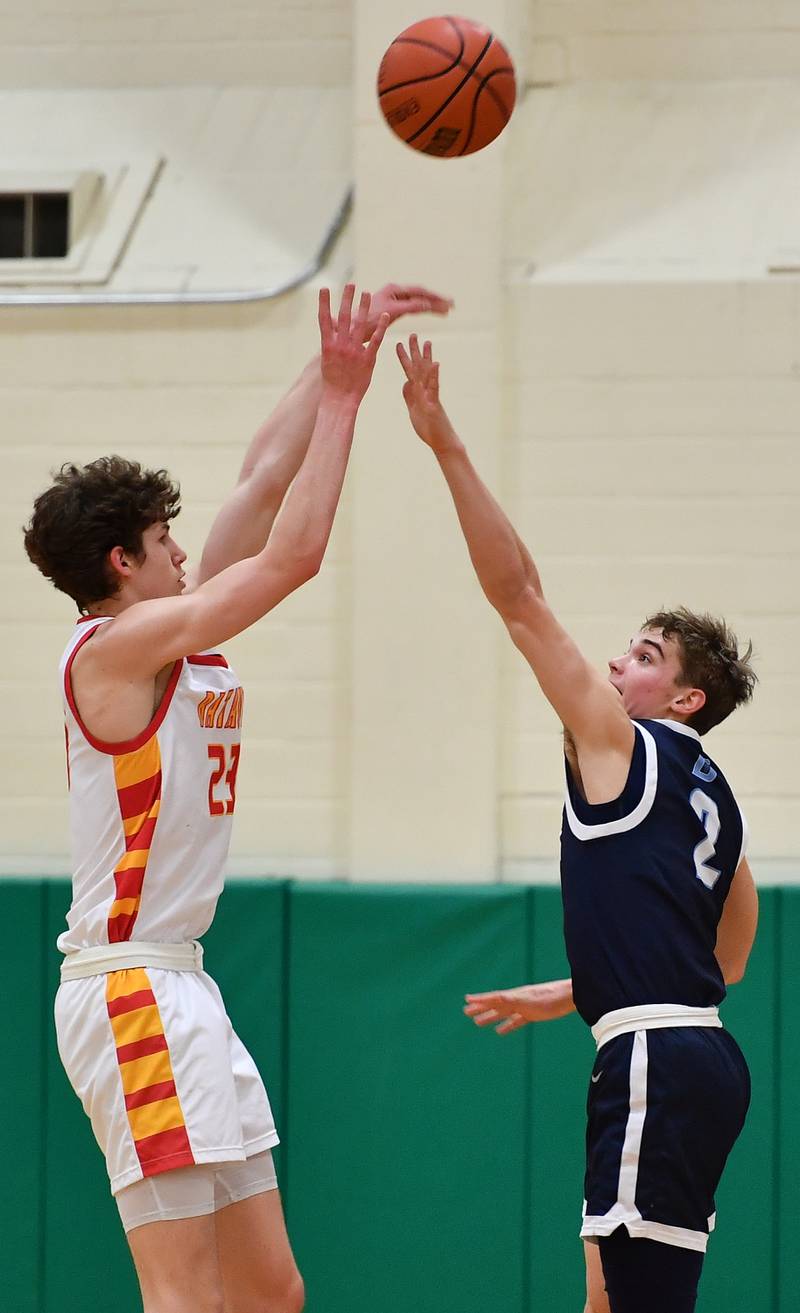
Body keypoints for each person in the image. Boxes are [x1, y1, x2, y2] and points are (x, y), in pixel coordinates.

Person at [23, 283, 450, 1313]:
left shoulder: (172, 629)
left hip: (184, 988)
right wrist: (347, 404)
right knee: (186, 1296)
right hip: (131, 989)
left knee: (271, 1289)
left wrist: (333, 357)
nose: (186, 549)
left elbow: (264, 477)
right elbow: (292, 556)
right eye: (166, 541)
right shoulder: (116, 648)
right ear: (123, 563)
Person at [396, 333, 759, 1313]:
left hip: (649, 1056)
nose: (615, 661)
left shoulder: (620, 741)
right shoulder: (711, 792)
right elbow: (727, 956)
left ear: (680, 696)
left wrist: (443, 444)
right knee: (612, 1294)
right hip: (700, 1057)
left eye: (643, 653)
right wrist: (583, 987)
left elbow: (516, 598)